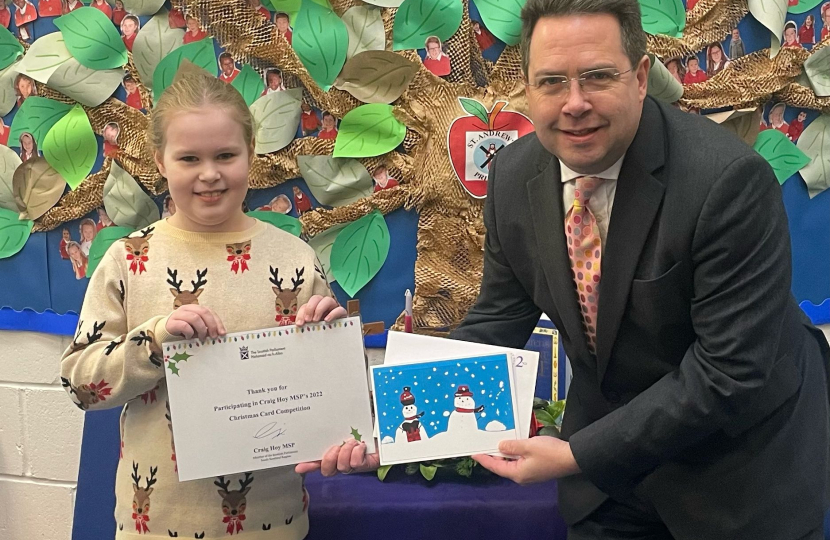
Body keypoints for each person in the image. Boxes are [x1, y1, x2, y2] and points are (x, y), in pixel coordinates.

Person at [443, 1, 829, 539]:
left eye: (597, 76)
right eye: (551, 82)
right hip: (611, 481)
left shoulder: (728, 182)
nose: (574, 104)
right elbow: (495, 323)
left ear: (642, 77)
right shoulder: (512, 175)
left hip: (739, 473)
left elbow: (728, 373)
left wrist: (577, 454)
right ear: (527, 90)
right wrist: (376, 414)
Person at [60, 60, 346, 539]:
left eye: (226, 155)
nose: (209, 174)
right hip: (156, 523)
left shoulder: (295, 258)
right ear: (159, 161)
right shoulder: (127, 260)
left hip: (273, 523)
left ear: (251, 153)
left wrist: (330, 342)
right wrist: (154, 341)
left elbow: (336, 401)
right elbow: (80, 386)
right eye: (189, 158)